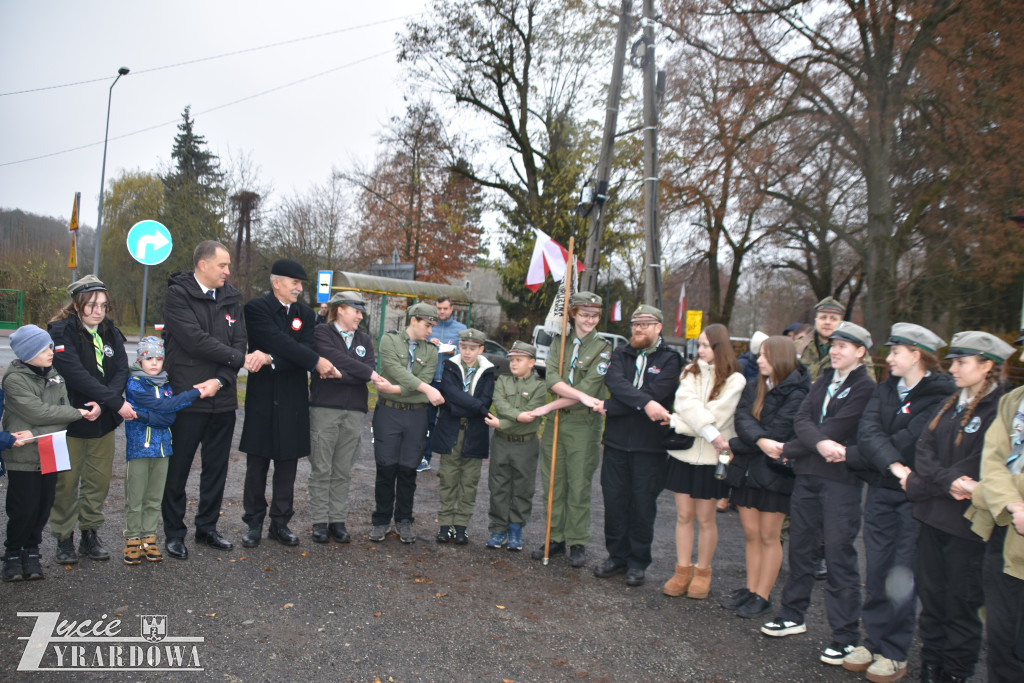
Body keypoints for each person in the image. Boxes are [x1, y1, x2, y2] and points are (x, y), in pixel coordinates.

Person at [897, 331, 1013, 683]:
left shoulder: (1000, 408)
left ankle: (956, 672)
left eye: (962, 362)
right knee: (932, 599)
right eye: (953, 362)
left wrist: (931, 480)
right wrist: (946, 481)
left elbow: (985, 462)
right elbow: (924, 449)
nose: (954, 368)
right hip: (934, 516)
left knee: (960, 604)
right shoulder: (950, 402)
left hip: (968, 525)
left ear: (987, 365)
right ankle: (931, 665)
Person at [841, 324, 954, 681]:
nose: (888, 359)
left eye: (895, 352)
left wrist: (886, 455)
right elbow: (868, 432)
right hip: (882, 488)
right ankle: (872, 640)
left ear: (916, 355)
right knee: (876, 568)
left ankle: (895, 651)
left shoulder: (941, 394)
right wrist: (892, 465)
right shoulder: (886, 388)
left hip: (913, 498)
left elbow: (913, 439)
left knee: (901, 573)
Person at [761, 321, 875, 669]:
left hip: (840, 481)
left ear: (861, 352)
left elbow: (839, 427)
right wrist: (817, 444)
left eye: (844, 346)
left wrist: (793, 448)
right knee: (802, 549)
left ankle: (844, 637)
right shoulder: (823, 380)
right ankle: (792, 615)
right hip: (809, 474)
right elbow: (803, 419)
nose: (836, 350)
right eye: (834, 344)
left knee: (839, 556)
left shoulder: (865, 387)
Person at [162, 240, 254, 560]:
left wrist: (220, 379)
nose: (228, 272)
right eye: (222, 265)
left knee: (216, 469)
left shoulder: (231, 299)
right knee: (178, 468)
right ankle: (174, 533)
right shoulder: (178, 295)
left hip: (223, 399)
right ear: (203, 264)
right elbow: (194, 341)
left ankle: (207, 528)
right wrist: (234, 360)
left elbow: (240, 342)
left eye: (228, 266)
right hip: (188, 399)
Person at [238, 259, 339, 548]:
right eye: (294, 283)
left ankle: (280, 524)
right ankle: (253, 523)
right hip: (262, 399)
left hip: (293, 399)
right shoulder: (256, 308)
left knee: (287, 466)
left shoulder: (305, 314)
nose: (298, 288)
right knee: (257, 464)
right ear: (276, 283)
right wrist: (309, 361)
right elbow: (276, 340)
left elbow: (303, 349)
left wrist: (270, 358)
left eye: (300, 284)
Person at [47, 274, 135, 564]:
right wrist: (113, 402)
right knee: (65, 482)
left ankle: (89, 533)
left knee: (98, 482)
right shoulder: (61, 332)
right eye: (91, 305)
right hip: (68, 421)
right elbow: (74, 373)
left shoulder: (110, 332)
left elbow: (122, 369)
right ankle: (63, 537)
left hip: (102, 421)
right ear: (76, 305)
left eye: (103, 305)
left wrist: (104, 403)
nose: (98, 311)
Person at [2, 325, 99, 581]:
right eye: (44, 347)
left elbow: (58, 414)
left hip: (50, 451)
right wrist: (76, 413)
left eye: (50, 346)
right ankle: (13, 554)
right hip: (23, 457)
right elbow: (38, 412)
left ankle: (32, 552)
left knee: (43, 507)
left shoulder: (55, 375)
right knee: (22, 508)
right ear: (28, 352)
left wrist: (38, 430)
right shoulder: (14, 379)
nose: (51, 351)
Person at [593, 305, 682, 587]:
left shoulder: (671, 359)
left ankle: (637, 562)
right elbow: (615, 382)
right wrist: (644, 403)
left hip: (650, 447)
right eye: (635, 324)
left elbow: (659, 393)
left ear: (658, 328)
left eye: (645, 324)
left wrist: (611, 407)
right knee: (615, 503)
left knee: (642, 506)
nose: (639, 329)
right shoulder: (620, 354)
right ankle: (616, 556)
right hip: (617, 444)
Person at [722, 336, 810, 619]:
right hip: (749, 470)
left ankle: (763, 594)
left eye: (764, 356)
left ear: (780, 358)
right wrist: (759, 441)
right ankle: (751, 588)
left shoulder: (799, 392)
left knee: (769, 536)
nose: (758, 360)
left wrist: (745, 442)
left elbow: (781, 431)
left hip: (775, 475)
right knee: (751, 534)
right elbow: (742, 419)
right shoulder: (754, 385)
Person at [663, 323, 745, 598]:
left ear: (720, 347)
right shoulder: (689, 371)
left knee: (706, 519)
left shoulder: (736, 379)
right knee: (684, 515)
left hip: (712, 459)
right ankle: (682, 570)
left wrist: (681, 423)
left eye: (706, 346)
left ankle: (703, 572)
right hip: (684, 455)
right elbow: (684, 404)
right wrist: (701, 426)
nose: (700, 350)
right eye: (699, 345)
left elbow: (719, 413)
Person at [528, 291, 610, 568]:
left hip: (583, 424)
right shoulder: (558, 343)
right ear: (573, 313)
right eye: (585, 314)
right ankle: (555, 537)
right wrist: (570, 397)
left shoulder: (603, 347)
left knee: (578, 483)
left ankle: (577, 540)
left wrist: (551, 405)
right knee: (553, 482)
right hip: (557, 423)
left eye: (595, 315)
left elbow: (587, 391)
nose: (590, 320)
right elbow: (551, 378)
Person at [308, 291, 394, 544]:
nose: (360, 315)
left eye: (361, 311)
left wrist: (343, 374)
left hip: (355, 410)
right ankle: (319, 522)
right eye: (356, 310)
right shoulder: (322, 333)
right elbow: (334, 358)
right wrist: (364, 372)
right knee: (321, 467)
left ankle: (337, 521)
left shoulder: (364, 339)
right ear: (340, 310)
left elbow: (359, 369)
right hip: (324, 408)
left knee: (343, 469)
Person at [965, 329, 1024, 683]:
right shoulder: (1013, 401)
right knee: (1002, 640)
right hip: (1004, 530)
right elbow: (993, 460)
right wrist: (1013, 503)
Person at [122, 337, 205, 564]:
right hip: (140, 449)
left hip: (162, 450)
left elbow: (169, 417)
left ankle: (149, 537)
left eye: (159, 358)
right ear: (140, 359)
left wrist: (144, 416)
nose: (154, 363)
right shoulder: (134, 384)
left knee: (154, 498)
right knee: (136, 498)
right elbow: (165, 408)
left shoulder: (166, 385)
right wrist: (191, 395)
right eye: (149, 358)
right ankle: (132, 539)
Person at [370, 302, 443, 543]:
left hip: (416, 415)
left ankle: (404, 520)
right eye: (428, 325)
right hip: (388, 413)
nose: (430, 331)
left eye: (432, 326)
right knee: (386, 466)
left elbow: (421, 383)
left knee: (408, 469)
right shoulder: (389, 340)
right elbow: (393, 368)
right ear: (414, 320)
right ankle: (380, 521)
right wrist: (424, 389)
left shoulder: (431, 351)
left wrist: (396, 389)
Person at [432, 328, 496, 545]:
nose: (467, 352)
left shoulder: (488, 371)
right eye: (464, 347)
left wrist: (474, 407)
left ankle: (461, 526)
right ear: (459, 347)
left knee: (469, 482)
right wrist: (477, 408)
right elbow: (449, 395)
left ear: (481, 349)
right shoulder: (450, 366)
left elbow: (486, 400)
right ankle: (444, 524)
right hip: (451, 431)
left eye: (472, 348)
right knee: (448, 479)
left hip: (475, 434)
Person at [483, 341, 547, 551]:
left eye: (519, 360)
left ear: (531, 362)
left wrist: (503, 422)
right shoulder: (502, 380)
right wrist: (517, 417)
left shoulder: (539, 387)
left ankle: (516, 528)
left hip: (525, 445)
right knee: (498, 486)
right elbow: (499, 404)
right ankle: (498, 528)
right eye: (511, 359)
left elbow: (531, 414)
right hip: (502, 442)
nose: (513, 363)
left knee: (522, 487)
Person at [420, 295, 466, 472]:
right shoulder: (429, 327)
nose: (441, 312)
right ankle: (425, 457)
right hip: (430, 382)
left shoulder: (461, 330)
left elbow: (467, 354)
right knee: (427, 422)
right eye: (439, 308)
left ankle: (449, 462)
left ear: (452, 309)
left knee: (448, 422)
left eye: (445, 308)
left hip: (450, 383)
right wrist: (427, 343)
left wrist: (454, 351)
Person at [798, 297, 845, 381]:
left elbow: (865, 386)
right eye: (823, 317)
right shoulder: (797, 346)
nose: (827, 322)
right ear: (816, 320)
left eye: (833, 319)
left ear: (841, 323)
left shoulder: (852, 350)